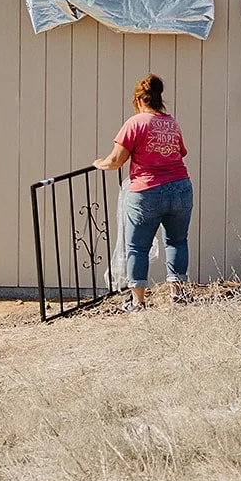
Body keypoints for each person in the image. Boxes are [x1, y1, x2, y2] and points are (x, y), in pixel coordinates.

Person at [93, 74, 193, 310]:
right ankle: (177, 295)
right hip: (181, 187)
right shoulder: (172, 122)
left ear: (139, 100)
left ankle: (138, 302)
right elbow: (181, 152)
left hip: (147, 191)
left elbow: (116, 160)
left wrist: (100, 163)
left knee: (137, 246)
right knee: (177, 241)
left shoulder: (135, 123)